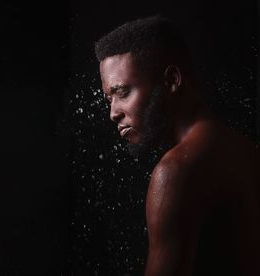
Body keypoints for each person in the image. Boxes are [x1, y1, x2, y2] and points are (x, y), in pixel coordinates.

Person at [95, 16, 260, 275]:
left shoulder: (175, 172)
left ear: (172, 80)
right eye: (109, 98)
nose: (113, 113)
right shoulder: (246, 150)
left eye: (123, 92)